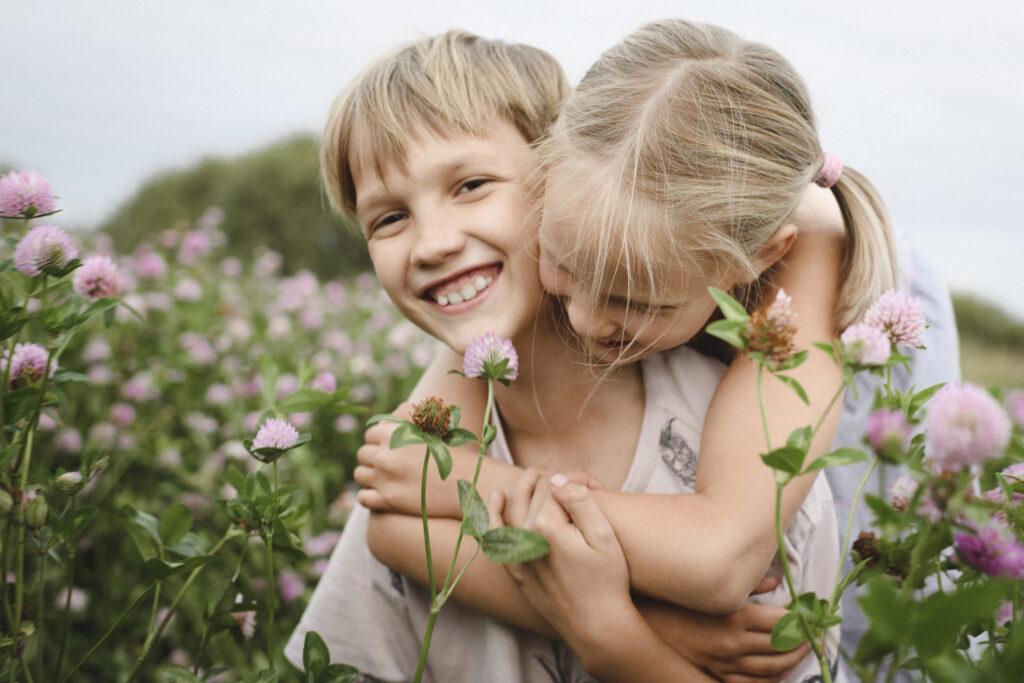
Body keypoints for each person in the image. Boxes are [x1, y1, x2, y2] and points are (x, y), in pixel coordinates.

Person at [287, 26, 855, 683]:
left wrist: (609, 627)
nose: (433, 243)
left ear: (553, 172)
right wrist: (642, 624)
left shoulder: (799, 265)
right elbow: (390, 523)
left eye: (471, 184)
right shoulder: (431, 443)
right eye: (387, 218)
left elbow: (719, 555)